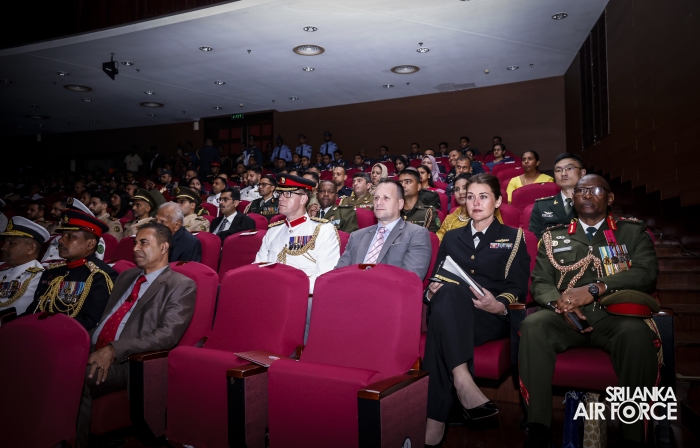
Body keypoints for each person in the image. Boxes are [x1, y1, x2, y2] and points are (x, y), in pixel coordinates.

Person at [519, 174, 660, 447]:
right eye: (581, 190)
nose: (586, 194)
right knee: (533, 326)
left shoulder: (631, 232)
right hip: (566, 317)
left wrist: (596, 288)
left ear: (610, 198)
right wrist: (560, 304)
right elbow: (540, 282)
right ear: (573, 198)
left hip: (615, 317)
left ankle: (634, 437)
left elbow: (647, 273)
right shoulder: (553, 236)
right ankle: (538, 428)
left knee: (637, 335)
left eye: (595, 190)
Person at [423, 173, 530, 446]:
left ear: (498, 201)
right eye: (470, 197)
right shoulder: (452, 237)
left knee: (438, 328)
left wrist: (499, 304)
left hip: (488, 316)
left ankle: (435, 418)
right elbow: (438, 277)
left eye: (483, 196)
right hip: (452, 309)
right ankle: (462, 379)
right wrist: (430, 291)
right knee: (448, 292)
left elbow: (518, 286)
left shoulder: (514, 237)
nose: (476, 203)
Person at [76, 222, 197, 448]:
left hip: (128, 362)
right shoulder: (127, 276)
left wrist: (113, 350)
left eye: (144, 243)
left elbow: (167, 335)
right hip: (92, 347)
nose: (135, 248)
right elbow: (105, 319)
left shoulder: (180, 285)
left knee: (72, 378)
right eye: (135, 243)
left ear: (163, 247)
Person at [255, 174, 340, 341]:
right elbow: (258, 267)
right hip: (270, 297)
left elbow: (325, 278)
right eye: (280, 194)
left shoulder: (322, 230)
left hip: (303, 299)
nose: (281, 198)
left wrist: (287, 289)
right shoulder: (273, 231)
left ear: (303, 199)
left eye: (288, 194)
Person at [25, 208, 119, 332]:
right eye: (62, 235)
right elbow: (34, 309)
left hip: (65, 336)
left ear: (90, 244)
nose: (61, 240)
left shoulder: (101, 276)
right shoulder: (52, 271)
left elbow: (89, 322)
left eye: (70, 236)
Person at [336, 179, 431, 278]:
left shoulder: (416, 234)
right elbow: (338, 273)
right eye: (376, 198)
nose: (379, 202)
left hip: (389, 287)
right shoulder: (356, 236)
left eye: (386, 198)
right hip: (353, 285)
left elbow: (410, 279)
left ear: (400, 204)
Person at [0, 217, 49, 319]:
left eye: (11, 243)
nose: (3, 247)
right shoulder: (3, 271)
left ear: (31, 248)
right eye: (5, 243)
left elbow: (16, 311)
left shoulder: (39, 278)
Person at [529, 153, 586, 240]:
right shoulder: (541, 206)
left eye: (569, 168)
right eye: (558, 170)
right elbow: (534, 239)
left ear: (582, 173)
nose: (563, 174)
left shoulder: (593, 202)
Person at [436, 174, 470, 242]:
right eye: (457, 189)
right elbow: (438, 240)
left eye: (465, 188)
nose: (460, 192)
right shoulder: (450, 218)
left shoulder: (481, 216)